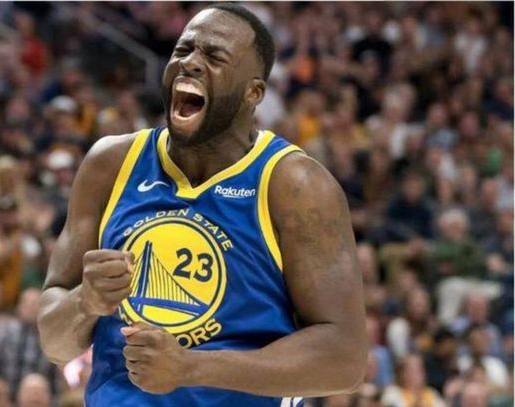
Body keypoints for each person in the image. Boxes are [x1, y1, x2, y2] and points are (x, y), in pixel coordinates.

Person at [38, 3, 367, 406]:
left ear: (253, 93)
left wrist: (192, 368)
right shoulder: (111, 164)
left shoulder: (294, 185)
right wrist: (84, 302)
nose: (190, 63)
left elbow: (345, 360)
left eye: (214, 56)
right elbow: (54, 343)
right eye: (183, 50)